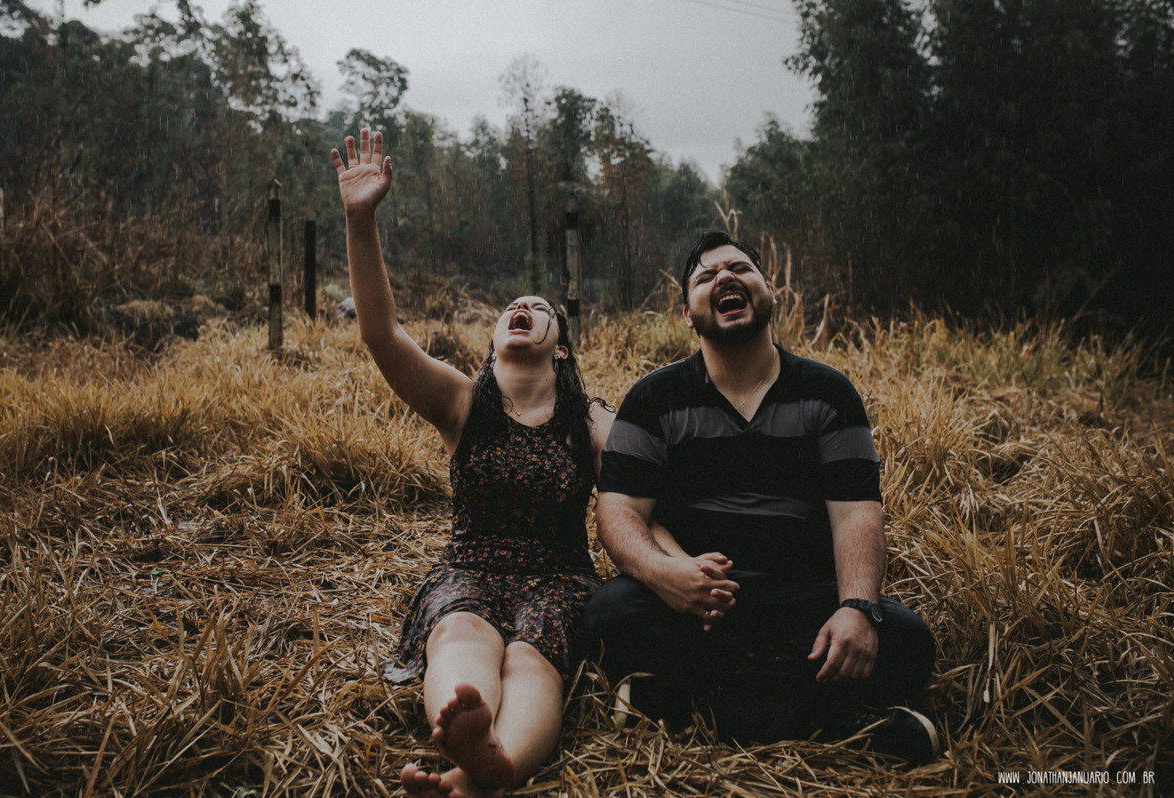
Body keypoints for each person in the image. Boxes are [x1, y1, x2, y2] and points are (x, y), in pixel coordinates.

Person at [584, 231, 938, 764]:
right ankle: (839, 721)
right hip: (700, 607)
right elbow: (618, 511)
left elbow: (857, 515)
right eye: (706, 277)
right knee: (608, 614)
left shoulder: (828, 393)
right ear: (687, 314)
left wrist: (857, 607)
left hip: (805, 603)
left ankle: (694, 701)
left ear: (768, 291)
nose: (725, 277)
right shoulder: (652, 399)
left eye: (740, 269)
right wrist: (665, 576)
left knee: (907, 640)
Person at [331, 129, 612, 797]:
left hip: (560, 579)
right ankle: (467, 730)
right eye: (512, 307)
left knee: (533, 658)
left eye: (539, 310)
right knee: (459, 630)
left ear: (561, 351)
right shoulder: (462, 403)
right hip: (469, 569)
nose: (522, 307)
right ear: (492, 342)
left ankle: (498, 764)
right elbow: (379, 334)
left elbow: (643, 491)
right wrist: (359, 220)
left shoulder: (592, 419)